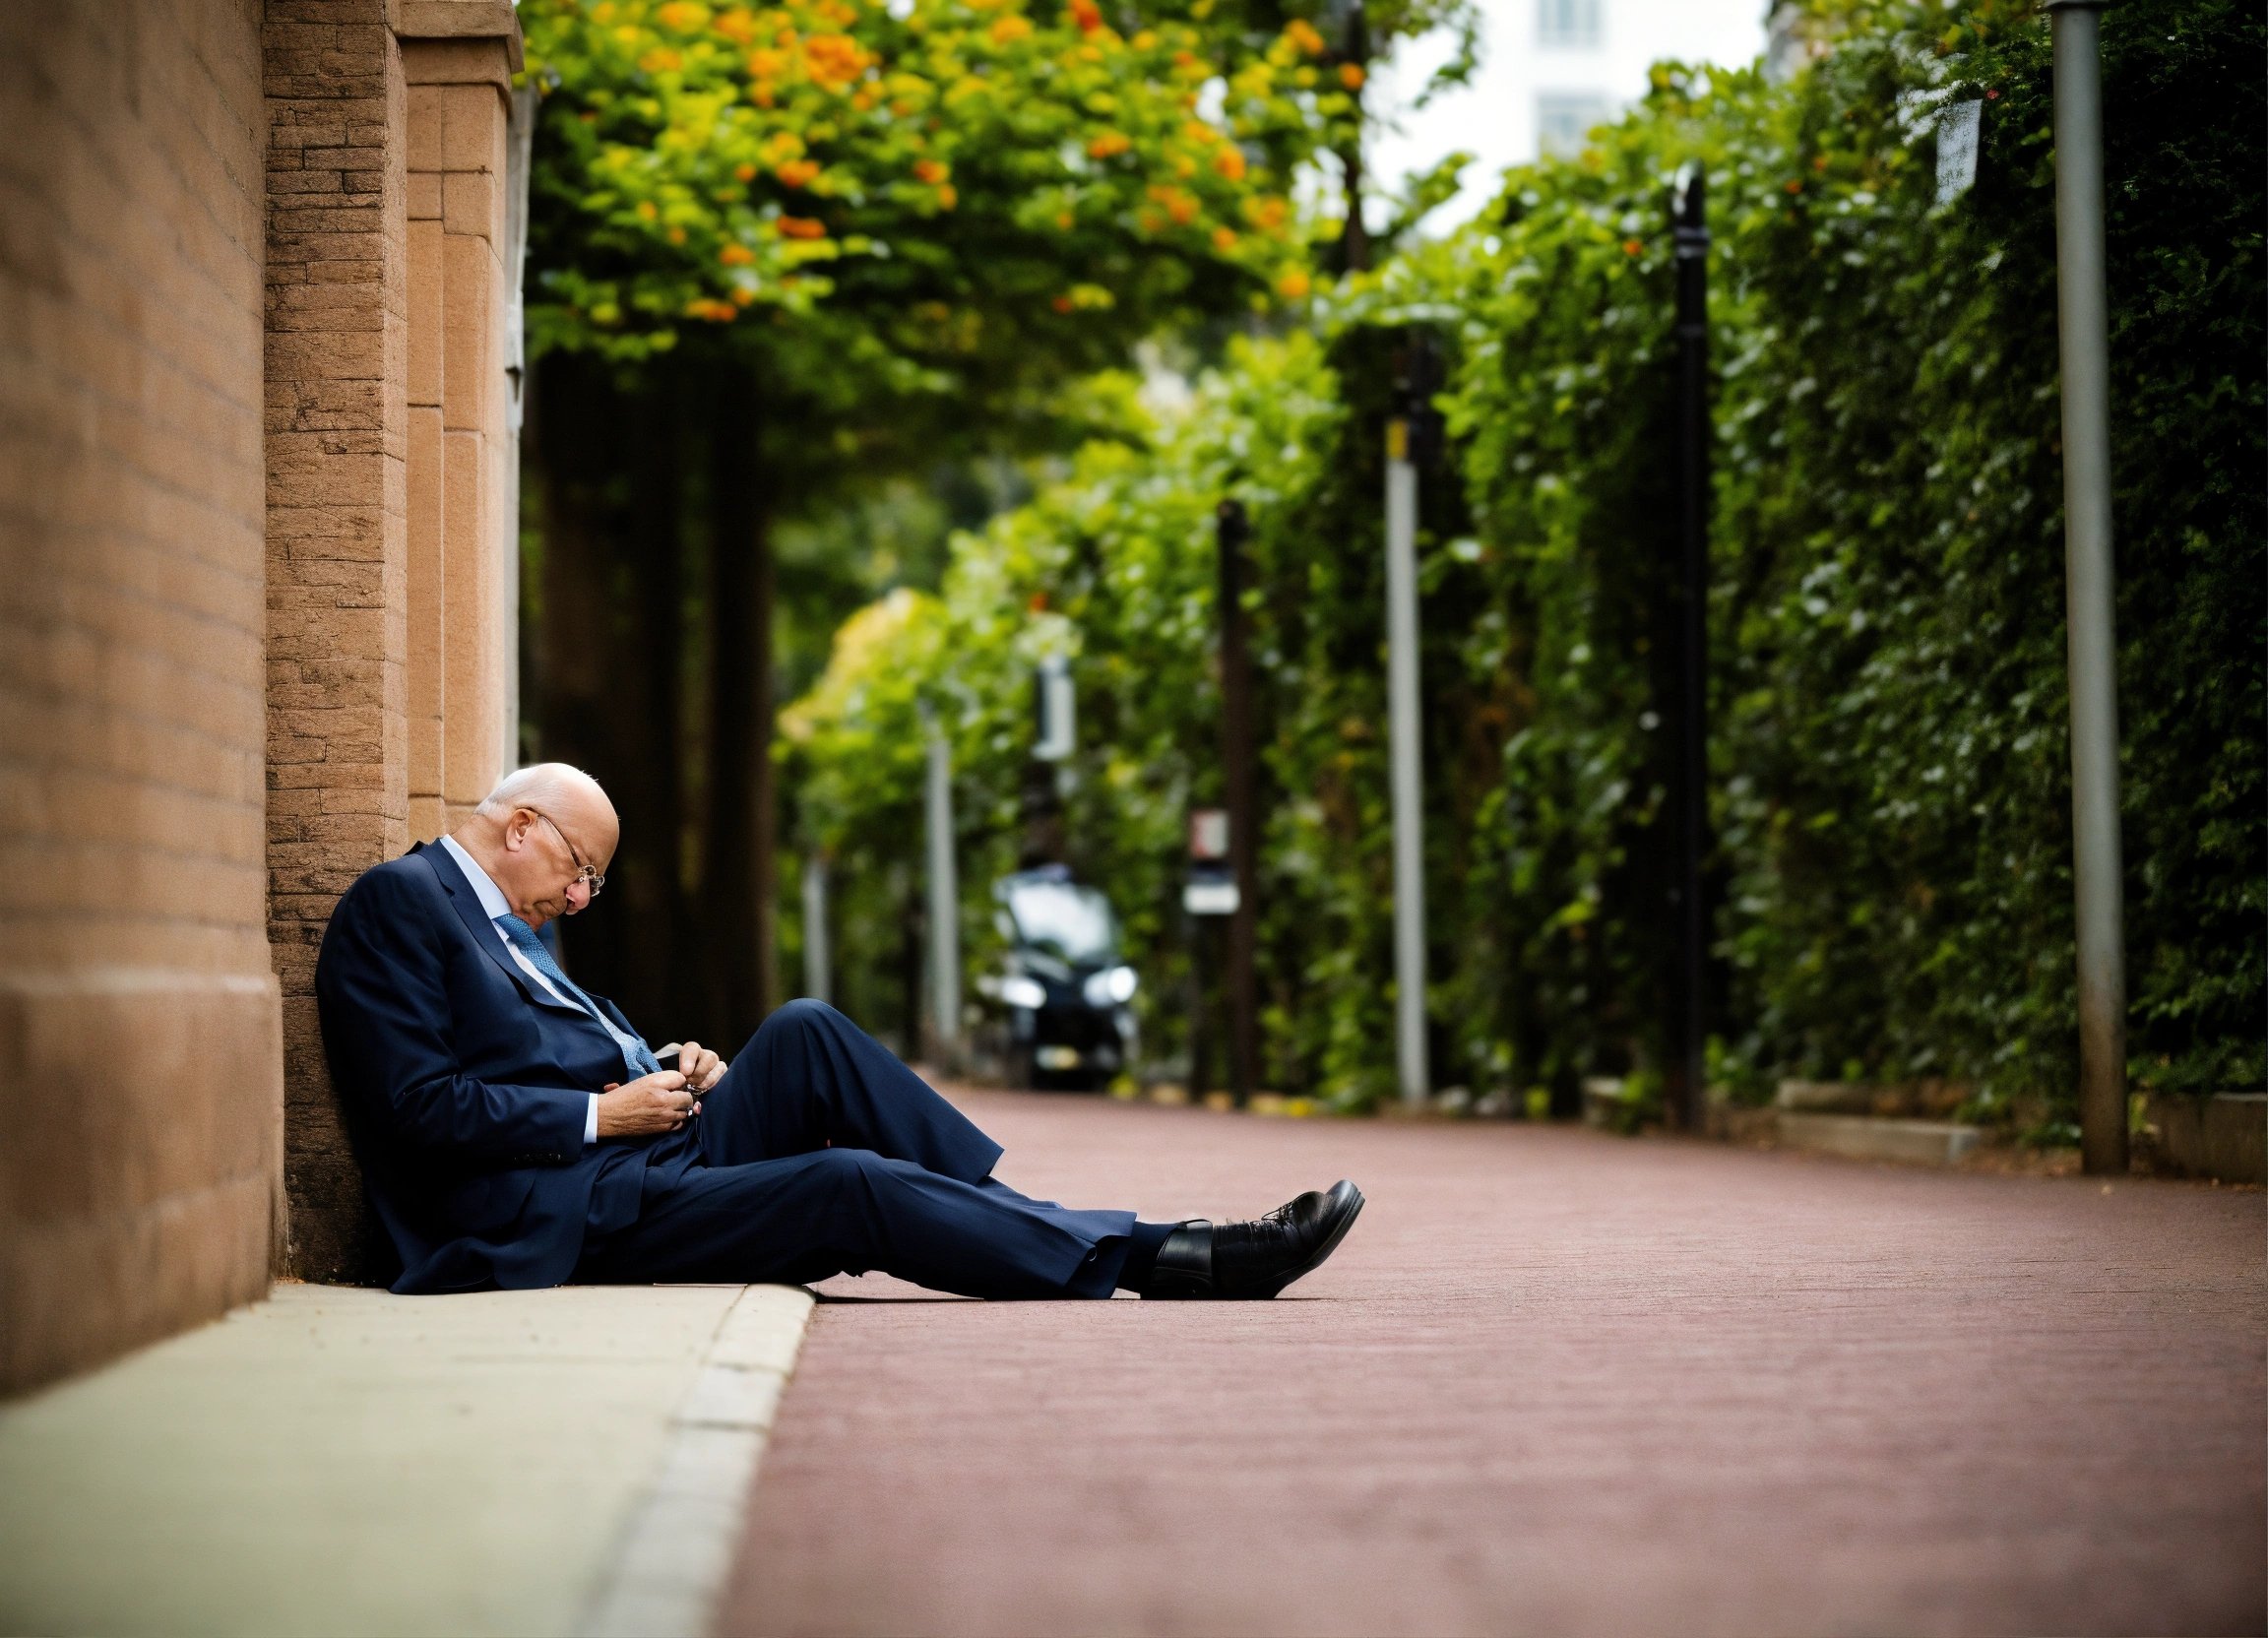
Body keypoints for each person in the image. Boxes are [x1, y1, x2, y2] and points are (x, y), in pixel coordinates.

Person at [314, 763, 1363, 1301]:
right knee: (846, 1182)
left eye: (592, 877)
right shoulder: (399, 905)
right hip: (558, 1210)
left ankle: (1056, 1221)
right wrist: (601, 1112)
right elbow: (418, 1110)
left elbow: (561, 1042)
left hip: (639, 1148)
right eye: (580, 867)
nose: (583, 896)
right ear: (523, 825)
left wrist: (663, 1062)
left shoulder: (510, 916)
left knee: (807, 1029)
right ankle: (1164, 1256)